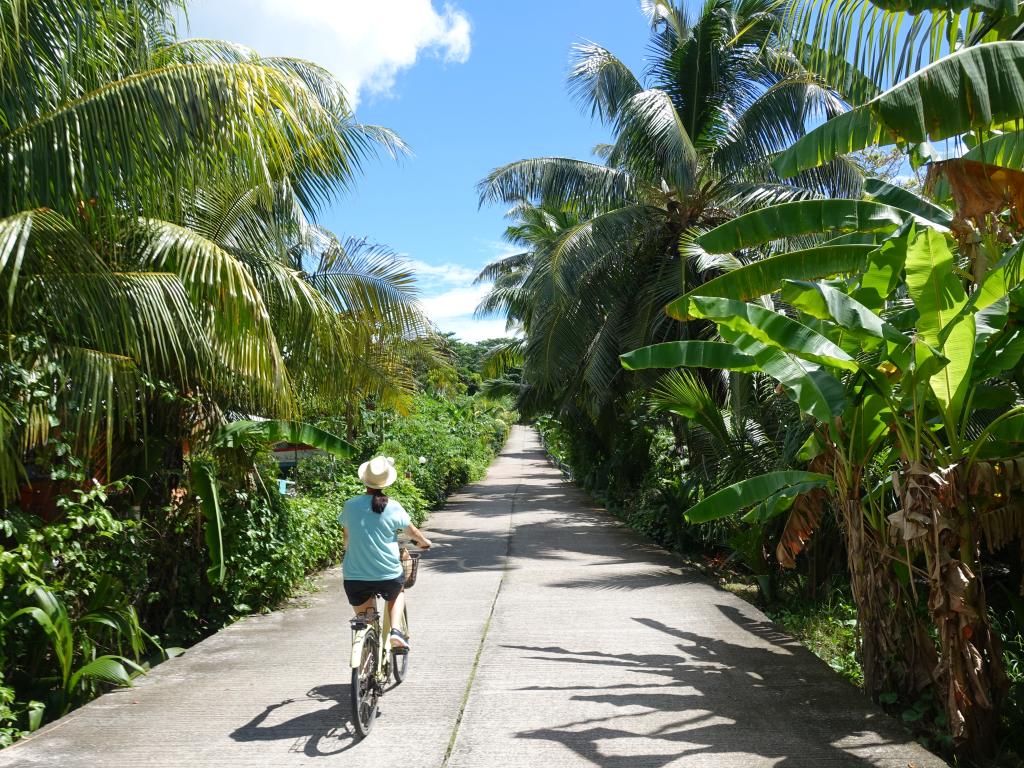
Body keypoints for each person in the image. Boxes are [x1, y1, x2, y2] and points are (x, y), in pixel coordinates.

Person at [338, 455, 431, 650]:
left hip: (354, 577)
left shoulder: (350, 506)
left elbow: (346, 539)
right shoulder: (393, 506)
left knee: (366, 619)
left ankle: (368, 652)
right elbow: (412, 532)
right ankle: (396, 632)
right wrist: (424, 542)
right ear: (386, 482)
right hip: (387, 574)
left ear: (365, 480)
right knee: (398, 591)